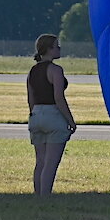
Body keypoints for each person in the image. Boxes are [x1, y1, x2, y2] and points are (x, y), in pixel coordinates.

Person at [27, 33, 77, 195]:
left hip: (36, 115)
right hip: (53, 115)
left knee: (40, 162)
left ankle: (37, 195)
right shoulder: (55, 70)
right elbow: (58, 97)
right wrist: (70, 120)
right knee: (51, 163)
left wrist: (34, 115)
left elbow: (31, 98)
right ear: (49, 49)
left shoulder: (32, 71)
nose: (59, 49)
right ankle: (46, 196)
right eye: (56, 46)